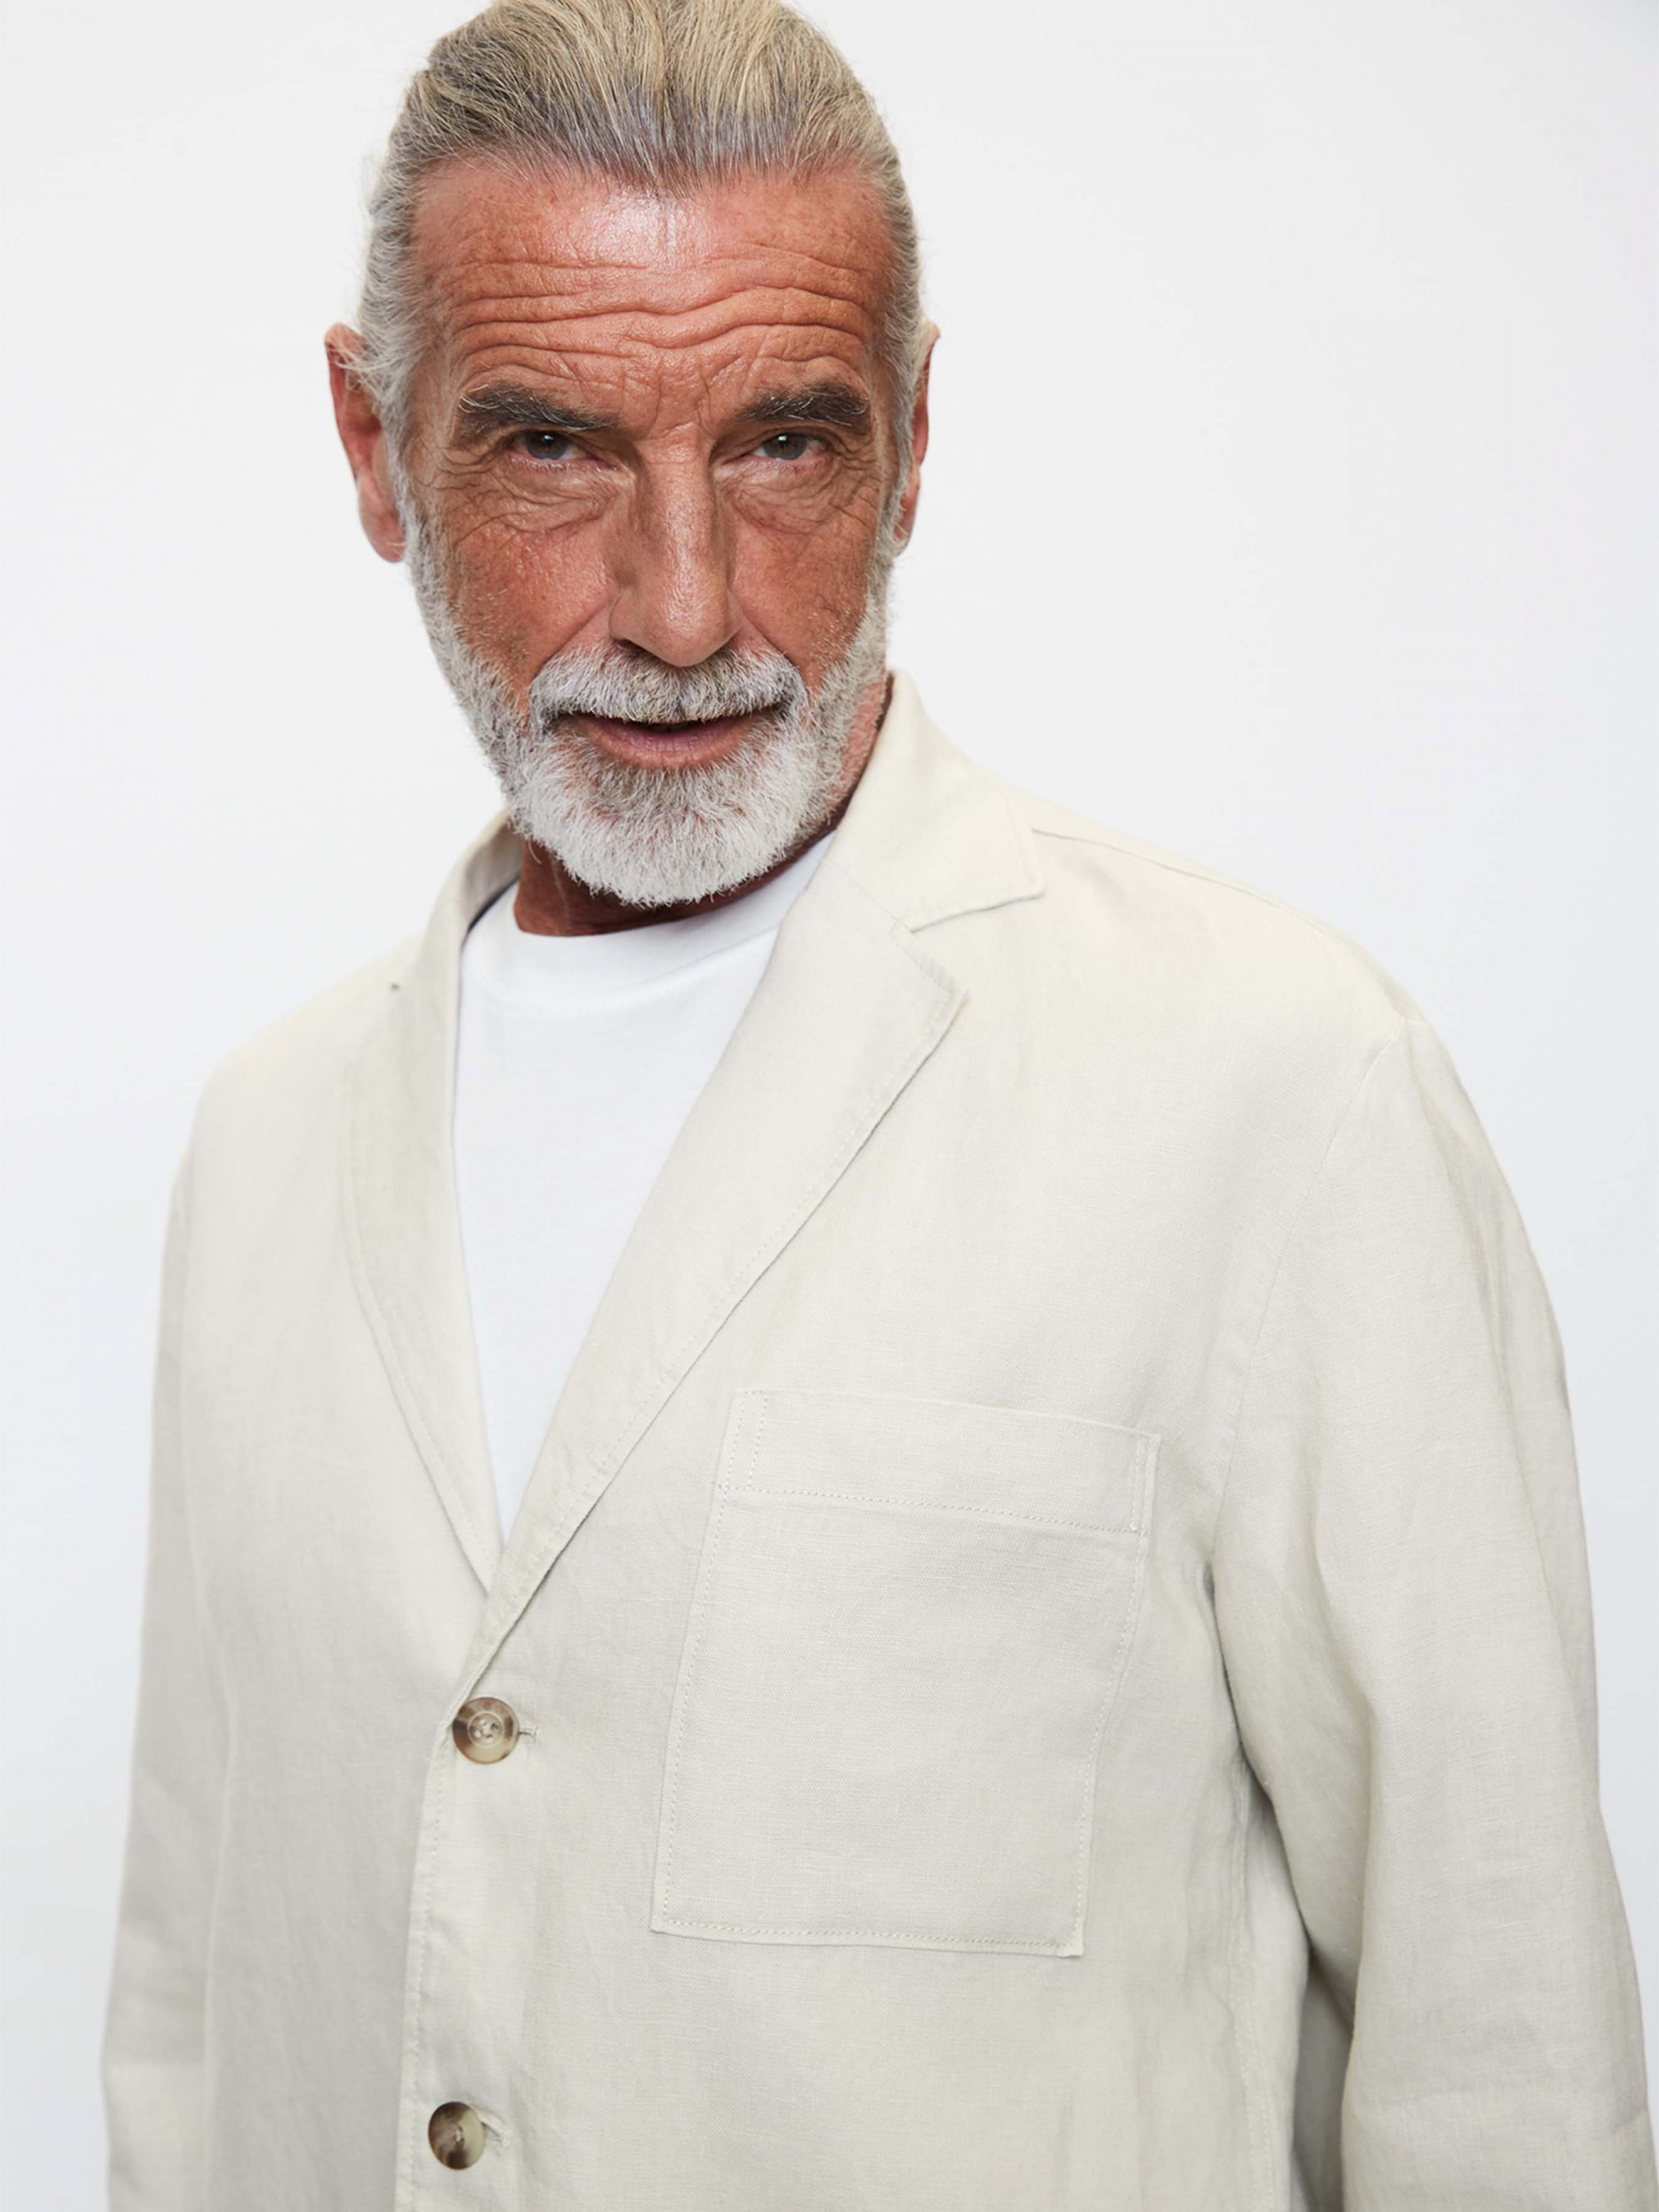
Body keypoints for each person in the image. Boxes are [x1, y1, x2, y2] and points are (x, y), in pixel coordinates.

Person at [102, 1, 1657, 2205]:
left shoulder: (1274, 1090)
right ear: (375, 448)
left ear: (912, 443)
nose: (682, 607)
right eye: (549, 447)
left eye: (783, 445)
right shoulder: (266, 1146)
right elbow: (193, 2017)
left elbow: (1498, 2057)